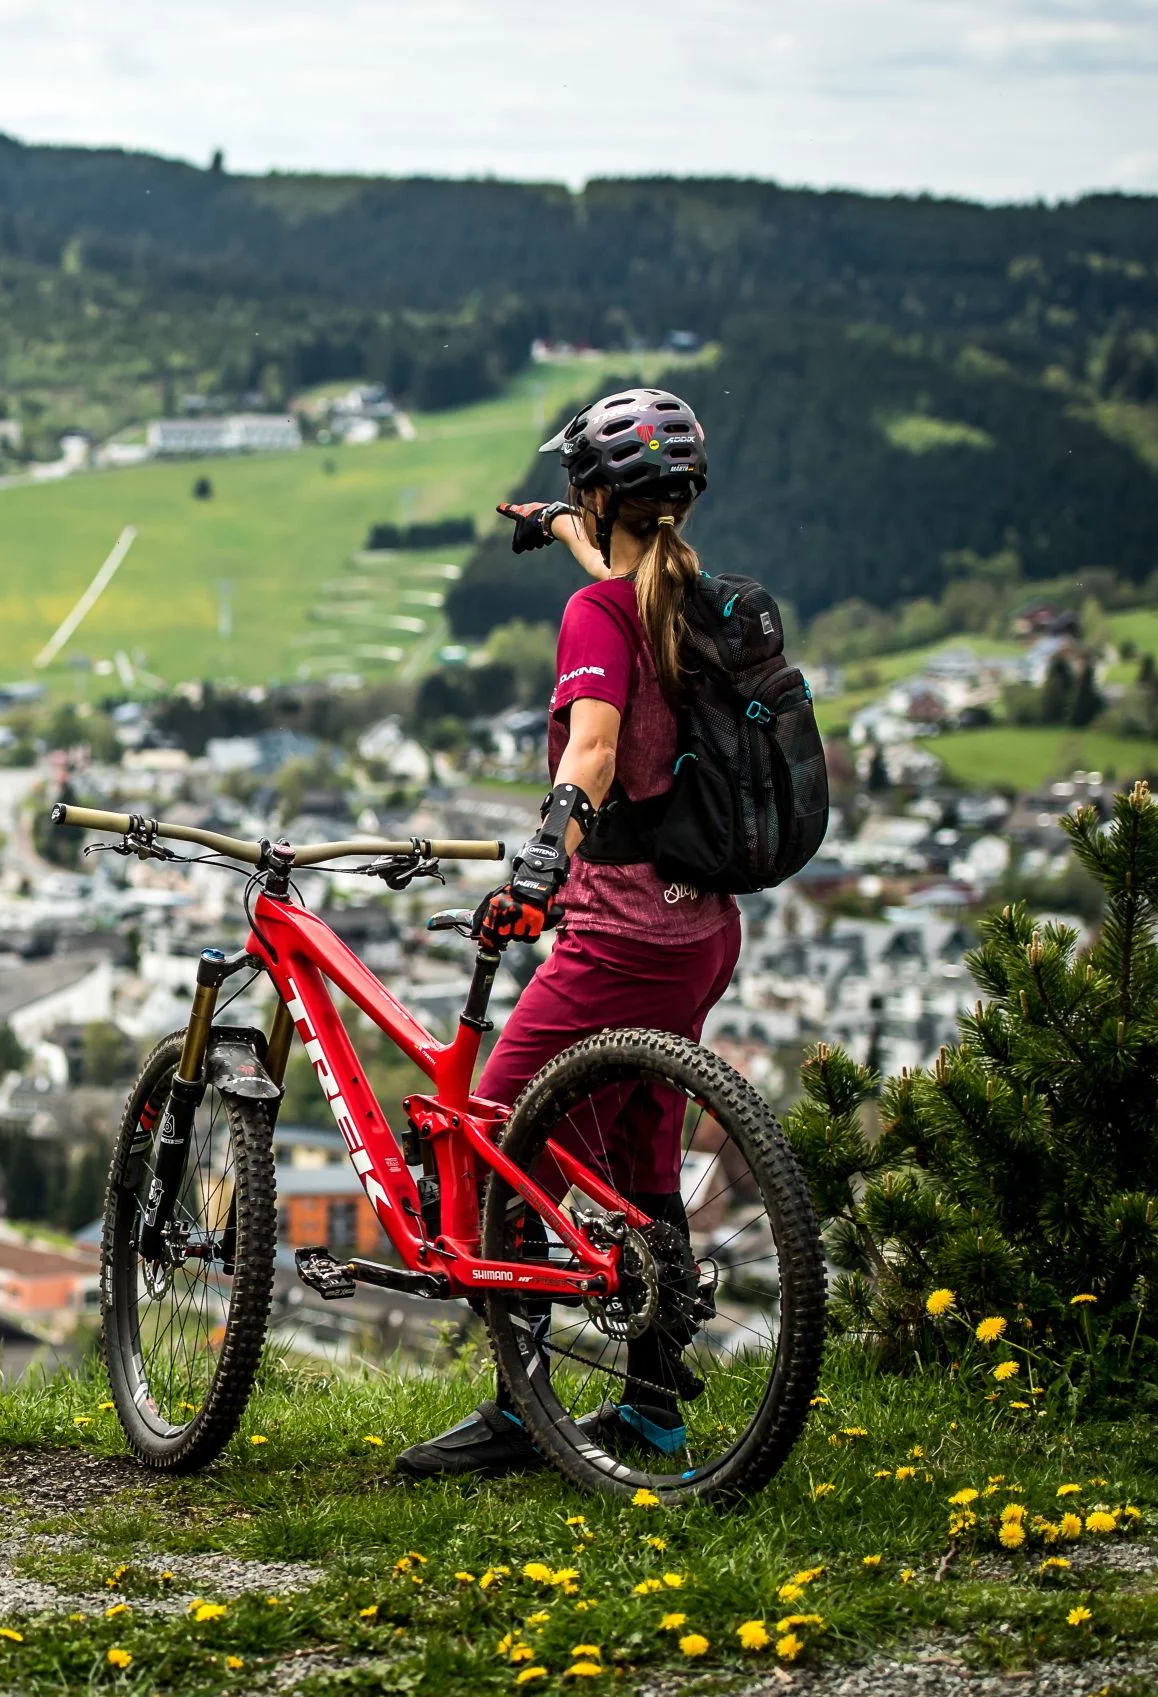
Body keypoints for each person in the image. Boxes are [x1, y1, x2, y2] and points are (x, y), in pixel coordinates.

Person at [396, 387, 735, 1479]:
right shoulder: (694, 599)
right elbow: (619, 572)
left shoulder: (599, 618)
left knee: (494, 1122)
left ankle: (519, 1405)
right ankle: (651, 1410)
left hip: (619, 925)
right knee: (642, 1151)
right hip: (700, 929)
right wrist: (555, 527)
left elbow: (591, 749)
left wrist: (545, 853)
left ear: (602, 490)